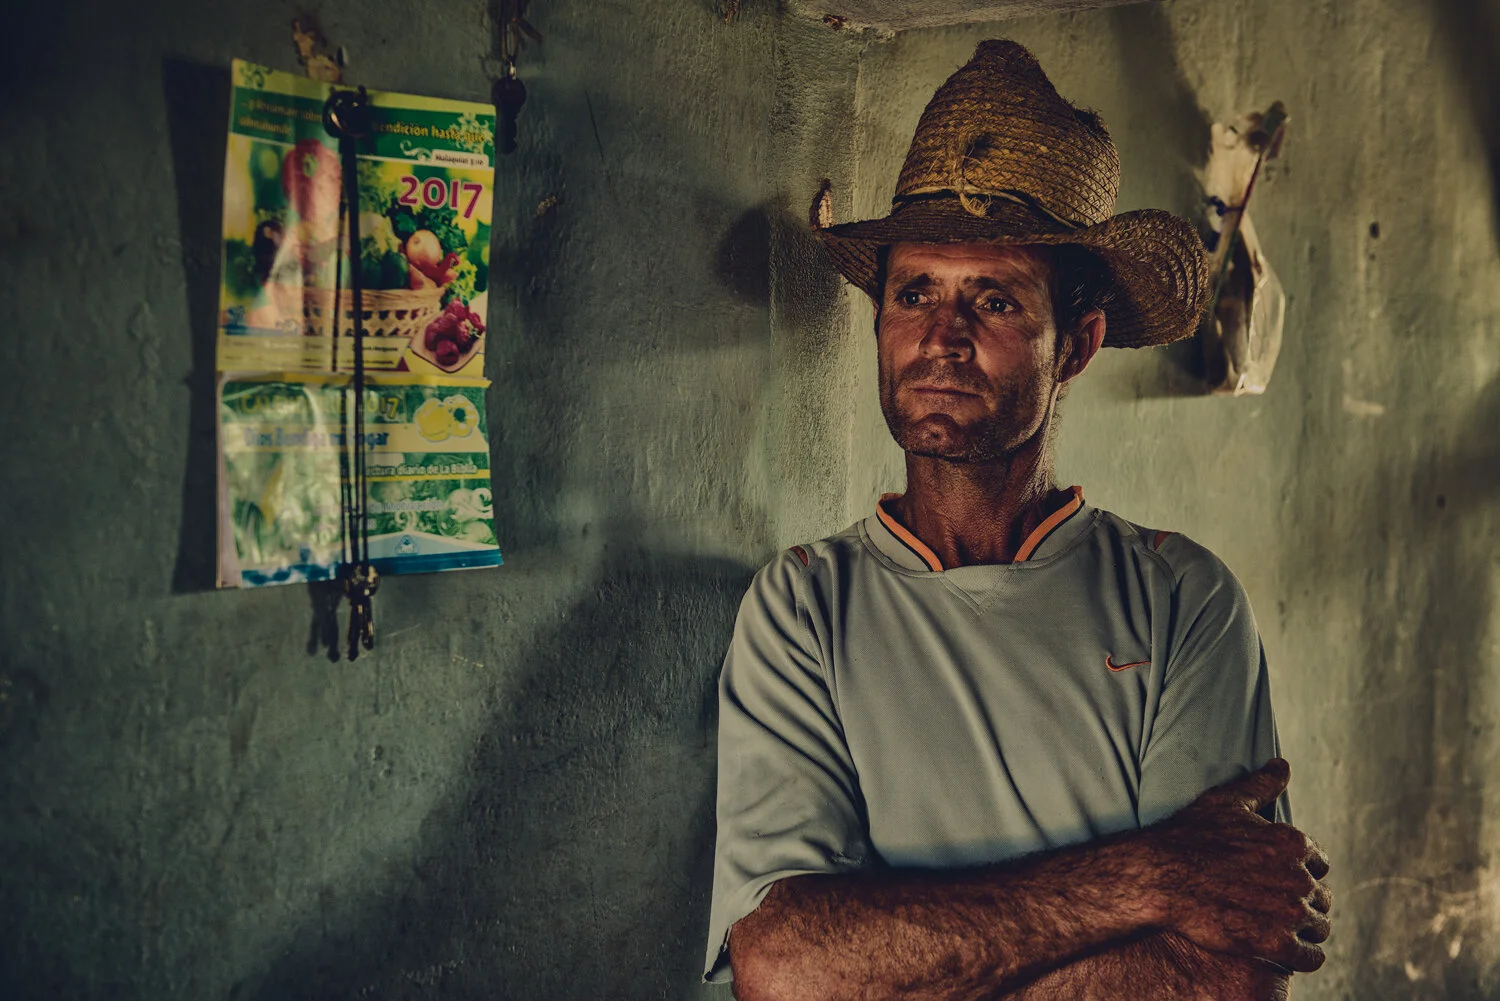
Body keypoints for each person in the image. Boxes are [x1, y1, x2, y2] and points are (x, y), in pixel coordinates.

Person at [703, 40, 1332, 1000]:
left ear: (1075, 345)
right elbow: (787, 967)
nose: (941, 336)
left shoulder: (1181, 600)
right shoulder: (801, 609)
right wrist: (1151, 876)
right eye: (914, 293)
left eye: (992, 300)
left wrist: (899, 960)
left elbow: (1224, 976)